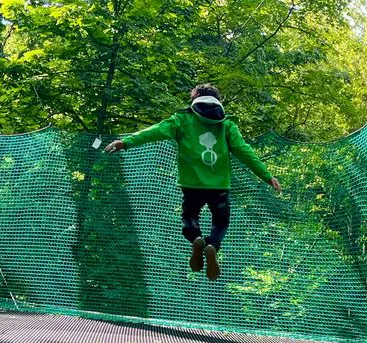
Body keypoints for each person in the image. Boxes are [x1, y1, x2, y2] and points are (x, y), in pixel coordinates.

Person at [105, 84, 281, 281]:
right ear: (218, 101)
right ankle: (212, 245)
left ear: (194, 99)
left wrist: (125, 142)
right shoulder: (226, 125)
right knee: (220, 222)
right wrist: (266, 176)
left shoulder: (182, 119)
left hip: (191, 186)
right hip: (219, 187)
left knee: (189, 218)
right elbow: (244, 151)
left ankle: (196, 238)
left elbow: (154, 131)